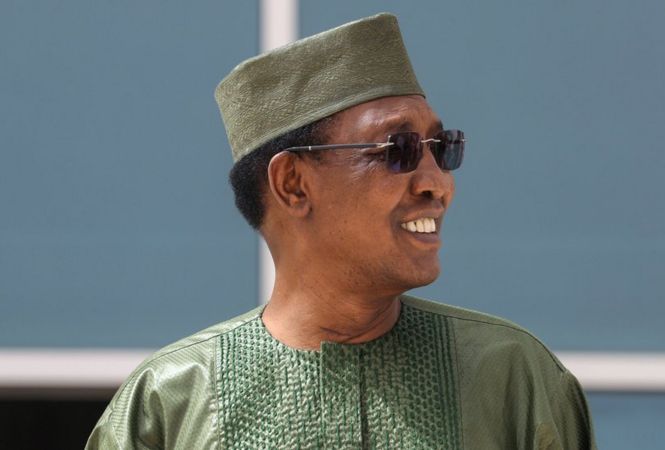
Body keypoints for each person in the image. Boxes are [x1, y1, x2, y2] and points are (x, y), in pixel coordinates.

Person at [86, 13, 596, 450]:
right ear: (293, 184)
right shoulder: (171, 402)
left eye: (442, 148)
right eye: (398, 149)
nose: (438, 184)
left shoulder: (510, 377)